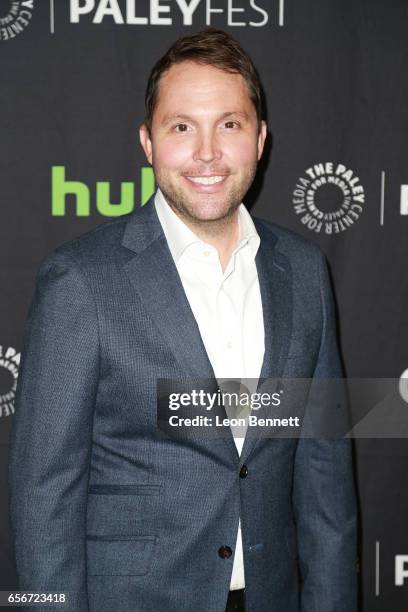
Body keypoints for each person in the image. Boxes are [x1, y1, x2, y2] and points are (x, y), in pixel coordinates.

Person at [8, 28, 357, 612]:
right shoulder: (80, 281)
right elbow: (44, 495)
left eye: (229, 124)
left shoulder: (303, 270)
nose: (206, 154)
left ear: (261, 138)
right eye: (180, 127)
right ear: (147, 142)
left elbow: (325, 478)